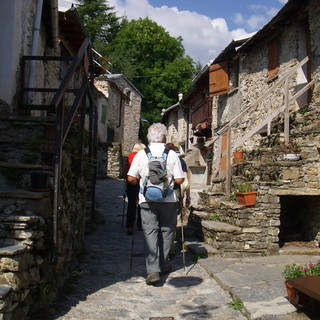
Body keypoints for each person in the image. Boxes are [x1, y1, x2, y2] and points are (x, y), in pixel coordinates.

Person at [127, 123, 184, 285]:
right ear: (164, 137)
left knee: (149, 233)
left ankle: (152, 271)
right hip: (168, 200)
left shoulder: (141, 154)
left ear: (149, 137)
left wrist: (140, 180)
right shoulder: (172, 154)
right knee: (166, 232)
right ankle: (162, 265)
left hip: (147, 200)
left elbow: (131, 178)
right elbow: (180, 179)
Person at [124, 142, 146, 235]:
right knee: (141, 203)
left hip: (131, 181)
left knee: (131, 204)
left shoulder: (130, 156)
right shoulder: (143, 156)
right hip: (141, 182)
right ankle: (140, 224)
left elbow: (126, 169)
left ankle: (130, 226)